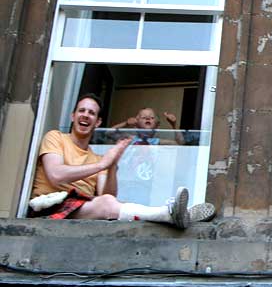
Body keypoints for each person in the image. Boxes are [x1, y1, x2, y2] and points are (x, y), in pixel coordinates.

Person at [28, 94, 215, 227]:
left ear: (98, 122)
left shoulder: (97, 157)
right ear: (73, 116)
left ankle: (173, 215)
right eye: (81, 111)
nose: (86, 115)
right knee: (110, 205)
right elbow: (55, 175)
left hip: (79, 209)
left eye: (91, 113)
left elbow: (107, 195)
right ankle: (168, 214)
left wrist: (112, 167)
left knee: (118, 204)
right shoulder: (56, 137)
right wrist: (102, 164)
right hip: (49, 208)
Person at [110, 107, 183, 145]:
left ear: (157, 126)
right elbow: (108, 133)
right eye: (143, 117)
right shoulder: (130, 139)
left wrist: (174, 125)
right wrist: (126, 123)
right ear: (136, 126)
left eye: (152, 117)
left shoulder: (156, 142)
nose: (148, 118)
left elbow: (180, 143)